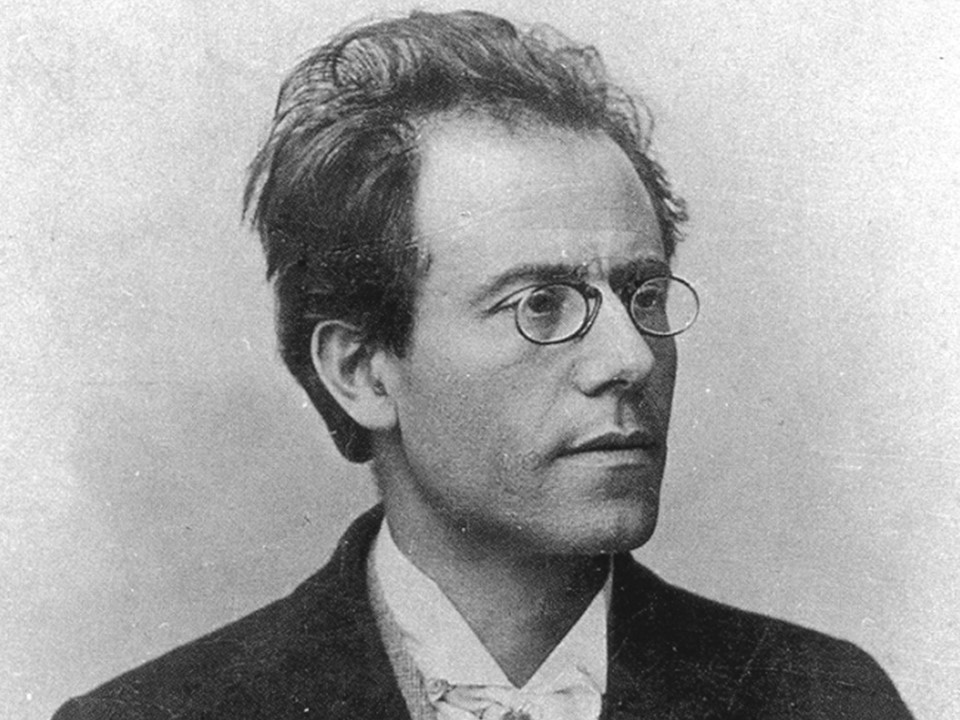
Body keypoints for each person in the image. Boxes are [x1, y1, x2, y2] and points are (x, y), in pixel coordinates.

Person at [53, 10, 913, 720]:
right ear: (363, 371)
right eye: (540, 304)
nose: (628, 358)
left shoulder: (826, 701)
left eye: (643, 294)